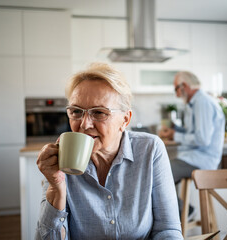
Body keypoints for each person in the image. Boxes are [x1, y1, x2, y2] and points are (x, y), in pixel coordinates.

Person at [35, 62, 183, 239]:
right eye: (76, 111)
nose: (84, 124)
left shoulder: (150, 149)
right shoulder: (62, 156)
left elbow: (167, 230)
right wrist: (56, 187)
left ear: (125, 120)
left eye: (99, 113)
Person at [158, 71, 225, 217]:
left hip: (202, 160)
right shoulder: (194, 103)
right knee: (161, 177)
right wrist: (175, 130)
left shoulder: (202, 102)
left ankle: (185, 210)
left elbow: (203, 139)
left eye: (176, 88)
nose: (176, 94)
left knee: (158, 173)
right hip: (193, 157)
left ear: (185, 86)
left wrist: (175, 135)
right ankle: (174, 214)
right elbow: (194, 132)